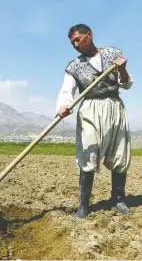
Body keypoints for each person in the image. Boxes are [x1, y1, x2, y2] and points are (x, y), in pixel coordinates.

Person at [56, 24, 134, 219]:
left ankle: (118, 199)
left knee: (120, 153)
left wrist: (122, 70)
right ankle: (83, 204)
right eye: (72, 42)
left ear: (89, 35)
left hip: (114, 107)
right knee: (88, 153)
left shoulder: (112, 54)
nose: (75, 44)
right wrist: (64, 106)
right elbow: (67, 91)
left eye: (78, 39)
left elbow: (126, 84)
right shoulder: (74, 66)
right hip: (90, 109)